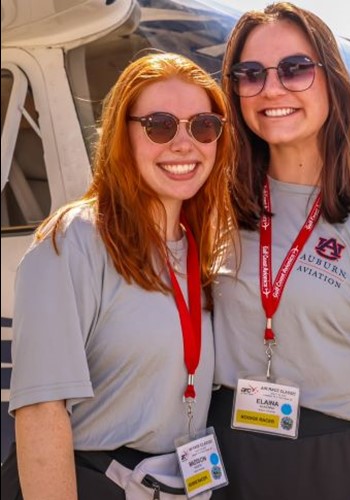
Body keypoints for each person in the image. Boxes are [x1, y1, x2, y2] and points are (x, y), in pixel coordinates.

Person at [207, 3, 350, 499]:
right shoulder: (214, 208)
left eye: (295, 69)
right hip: (219, 459)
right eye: (250, 74)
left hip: (327, 464)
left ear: (332, 80)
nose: (272, 89)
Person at [1, 52, 236, 499]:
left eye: (203, 126)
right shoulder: (74, 240)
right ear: (122, 136)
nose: (184, 144)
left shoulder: (198, 248)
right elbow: (40, 411)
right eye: (160, 126)